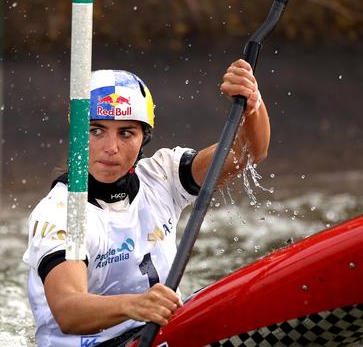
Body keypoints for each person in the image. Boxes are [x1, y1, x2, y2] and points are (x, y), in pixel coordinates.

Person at [23, 59, 270, 346]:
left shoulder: (162, 176)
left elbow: (249, 151)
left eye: (126, 132)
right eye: (96, 130)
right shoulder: (60, 213)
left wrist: (252, 103)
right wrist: (134, 305)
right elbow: (68, 311)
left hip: (156, 334)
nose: (111, 148)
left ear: (144, 139)